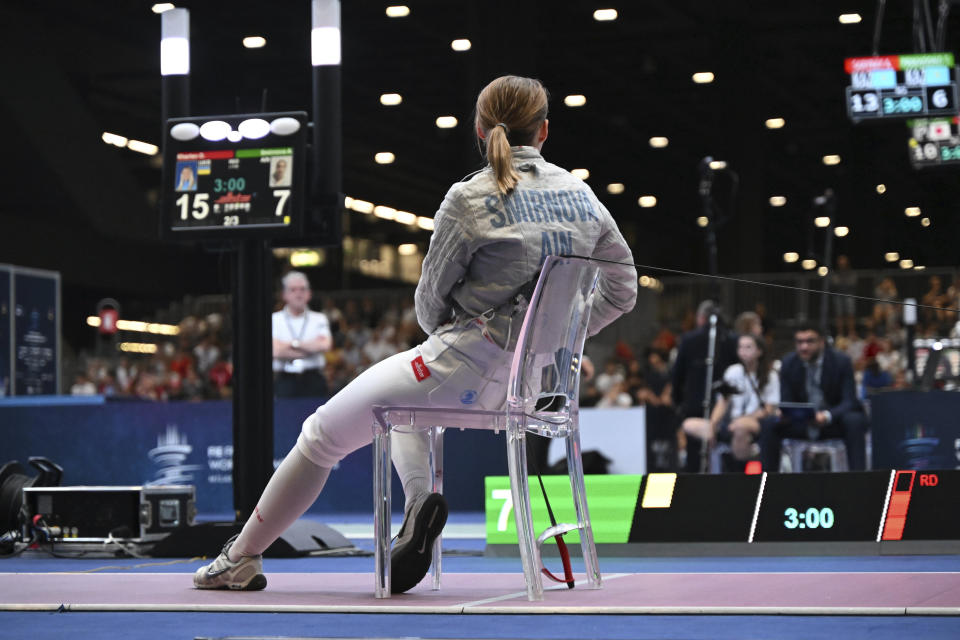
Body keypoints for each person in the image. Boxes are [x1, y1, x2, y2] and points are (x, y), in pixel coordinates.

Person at [193, 75, 637, 593]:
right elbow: (622, 291)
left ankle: (240, 557)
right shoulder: (585, 199)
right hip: (534, 388)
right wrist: (557, 339)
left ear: (479, 128)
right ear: (544, 131)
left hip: (458, 368)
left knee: (320, 436)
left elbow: (428, 305)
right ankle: (417, 507)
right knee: (402, 408)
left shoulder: (469, 197)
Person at [759, 322, 868, 471]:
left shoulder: (841, 361)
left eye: (809, 341)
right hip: (802, 422)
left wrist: (826, 416)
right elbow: (787, 400)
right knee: (769, 424)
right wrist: (785, 413)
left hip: (832, 422)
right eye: (800, 342)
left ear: (821, 342)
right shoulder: (789, 363)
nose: (804, 347)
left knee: (854, 420)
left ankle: (859, 478)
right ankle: (767, 483)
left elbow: (849, 401)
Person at [682, 334, 779, 467]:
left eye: (748, 347)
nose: (743, 351)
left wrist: (744, 419)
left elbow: (769, 409)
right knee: (689, 424)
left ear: (759, 351)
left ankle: (740, 466)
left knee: (740, 427)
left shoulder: (770, 375)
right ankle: (721, 462)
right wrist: (713, 424)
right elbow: (723, 402)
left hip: (756, 422)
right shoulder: (733, 371)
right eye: (740, 347)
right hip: (730, 423)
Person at [671, 300, 738, 472]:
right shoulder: (731, 339)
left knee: (695, 452)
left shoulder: (688, 339)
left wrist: (677, 402)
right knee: (724, 453)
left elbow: (677, 374)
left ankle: (696, 484)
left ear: (701, 318)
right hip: (725, 405)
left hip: (695, 401)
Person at [272, 271, 332, 398]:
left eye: (302, 289)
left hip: (314, 379)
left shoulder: (319, 318)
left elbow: (325, 345)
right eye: (293, 290)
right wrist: (310, 348)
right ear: (284, 295)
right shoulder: (274, 319)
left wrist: (292, 345)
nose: (298, 294)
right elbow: (275, 351)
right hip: (285, 379)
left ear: (309, 294)